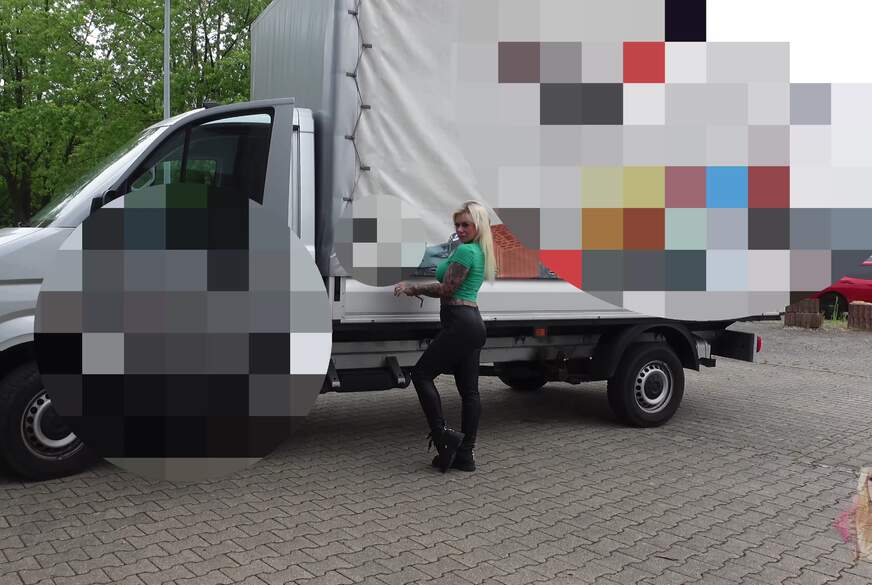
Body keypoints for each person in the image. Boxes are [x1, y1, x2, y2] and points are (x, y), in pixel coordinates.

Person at [394, 201, 497, 472]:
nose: (460, 229)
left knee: (421, 375)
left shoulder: (466, 251)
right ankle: (465, 455)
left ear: (478, 226)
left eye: (466, 225)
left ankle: (443, 438)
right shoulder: (480, 250)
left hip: (460, 323)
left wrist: (412, 287)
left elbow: (447, 289)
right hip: (471, 323)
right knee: (470, 392)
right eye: (457, 225)